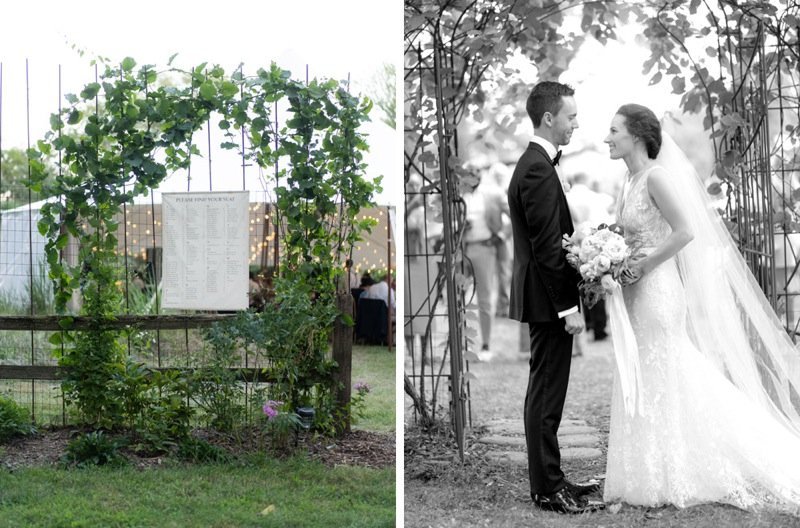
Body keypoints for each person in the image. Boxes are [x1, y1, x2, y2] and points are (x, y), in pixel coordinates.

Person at [604, 103, 800, 511]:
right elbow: (626, 236)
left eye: (614, 131)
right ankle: (650, 472)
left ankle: (674, 471)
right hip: (633, 289)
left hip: (657, 289)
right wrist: (605, 260)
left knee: (665, 370)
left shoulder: (656, 177)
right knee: (646, 373)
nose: (608, 138)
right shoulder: (628, 180)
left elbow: (685, 232)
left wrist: (643, 265)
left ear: (636, 136)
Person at [507, 81, 602, 514]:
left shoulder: (541, 163)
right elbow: (546, 247)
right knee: (547, 393)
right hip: (548, 299)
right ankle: (547, 488)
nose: (576, 124)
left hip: (544, 295)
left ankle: (552, 478)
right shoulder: (536, 167)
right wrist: (569, 308)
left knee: (546, 390)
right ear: (549, 118)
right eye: (571, 116)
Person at [463, 169, 509, 355]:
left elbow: (514, 214)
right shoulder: (458, 195)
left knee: (484, 297)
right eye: (467, 173)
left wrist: (500, 235)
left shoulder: (493, 194)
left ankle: (486, 344)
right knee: (457, 296)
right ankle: (461, 342)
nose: (471, 177)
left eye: (474, 173)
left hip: (484, 247)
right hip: (462, 248)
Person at [566, 172, 614, 341]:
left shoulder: (568, 196)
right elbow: (603, 218)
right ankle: (599, 327)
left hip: (571, 244)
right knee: (595, 280)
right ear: (585, 180)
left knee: (581, 283)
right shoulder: (594, 197)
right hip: (592, 242)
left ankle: (588, 322)